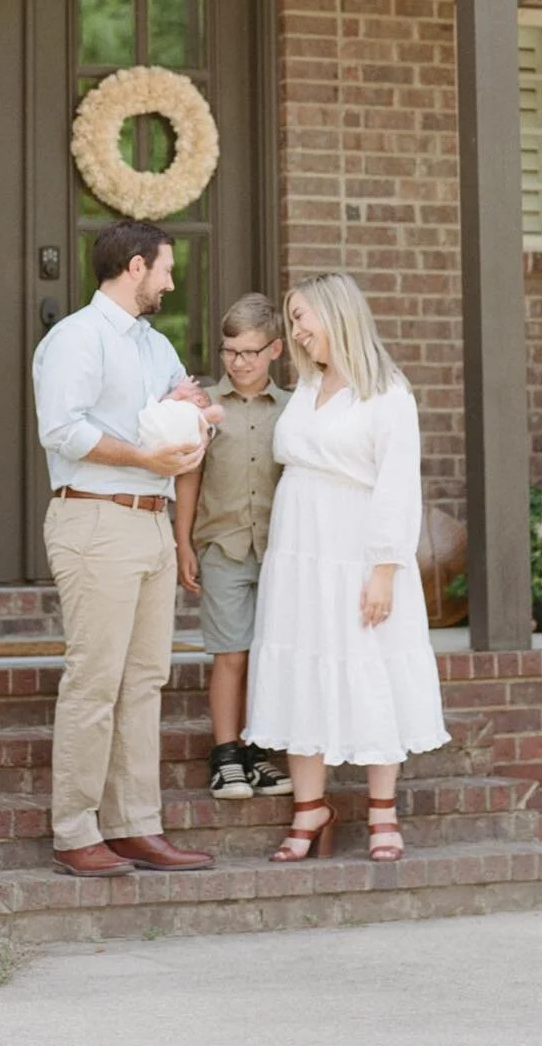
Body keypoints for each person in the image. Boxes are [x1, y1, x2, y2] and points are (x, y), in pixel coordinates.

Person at [32, 219, 218, 879]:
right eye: (165, 268)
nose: (171, 280)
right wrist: (144, 452)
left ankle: (135, 825)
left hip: (151, 523)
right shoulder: (76, 339)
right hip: (95, 520)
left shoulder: (156, 345)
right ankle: (75, 830)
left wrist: (195, 412)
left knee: (144, 682)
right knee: (96, 681)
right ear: (135, 267)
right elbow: (61, 428)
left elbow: (178, 409)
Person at [244, 273, 449, 862]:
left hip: (357, 550)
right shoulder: (307, 387)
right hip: (299, 552)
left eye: (302, 315)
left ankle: (383, 812)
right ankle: (310, 809)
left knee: (371, 667)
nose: (297, 329)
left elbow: (397, 486)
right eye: (292, 317)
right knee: (301, 665)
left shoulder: (387, 392)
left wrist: (385, 568)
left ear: (337, 315)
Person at [174, 293, 294, 801]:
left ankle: (258, 751)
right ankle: (226, 755)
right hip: (223, 547)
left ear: (275, 350)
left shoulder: (293, 409)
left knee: (272, 654)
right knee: (232, 654)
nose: (239, 362)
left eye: (249, 352)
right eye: (229, 352)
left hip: (281, 551)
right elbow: (189, 478)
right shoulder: (205, 410)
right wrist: (183, 542)